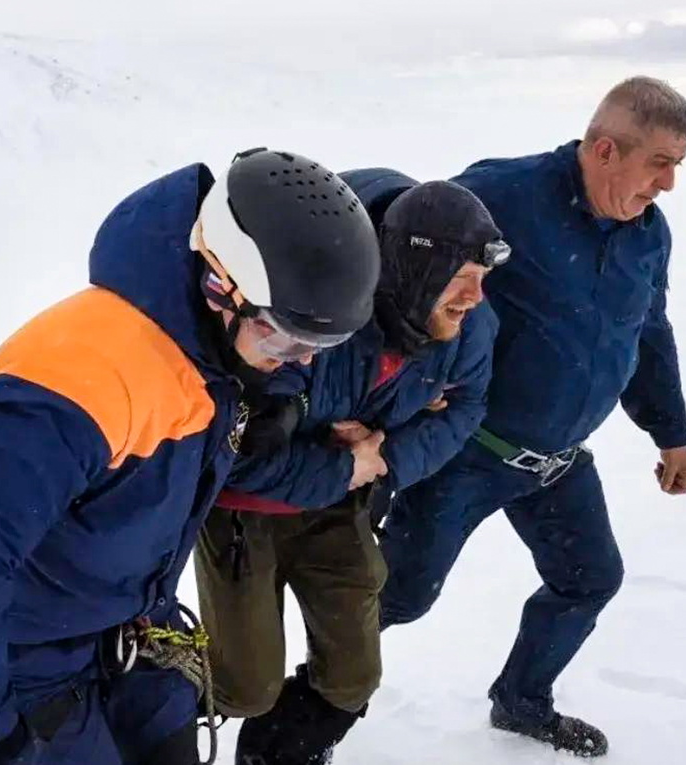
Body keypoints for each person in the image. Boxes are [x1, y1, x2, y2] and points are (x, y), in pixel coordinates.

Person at [0, 148, 382, 765]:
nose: (303, 359)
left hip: (133, 648)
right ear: (219, 285)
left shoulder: (215, 357)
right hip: (30, 677)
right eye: (285, 336)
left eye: (322, 344)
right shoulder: (82, 378)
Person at [378, 76, 686, 757]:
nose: (667, 184)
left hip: (556, 460)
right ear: (606, 148)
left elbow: (647, 331)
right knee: (398, 596)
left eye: (677, 166)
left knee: (589, 578)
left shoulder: (648, 234)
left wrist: (671, 433)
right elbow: (407, 258)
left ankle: (522, 701)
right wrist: (399, 383)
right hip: (466, 449)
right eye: (659, 164)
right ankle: (294, 698)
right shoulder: (505, 196)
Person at [193, 177, 506, 765]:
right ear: (415, 272)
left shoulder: (464, 333)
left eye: (482, 279)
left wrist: (383, 459)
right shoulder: (319, 308)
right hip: (245, 516)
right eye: (461, 279)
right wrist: (343, 463)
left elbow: (469, 405)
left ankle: (278, 754)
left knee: (352, 678)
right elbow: (243, 453)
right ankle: (139, 696)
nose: (475, 298)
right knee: (243, 686)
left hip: (344, 505)